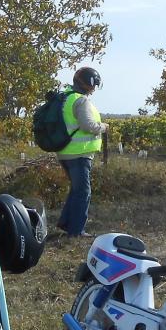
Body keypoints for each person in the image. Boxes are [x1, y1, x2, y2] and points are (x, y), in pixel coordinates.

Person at [55, 67, 108, 238]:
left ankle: (66, 223)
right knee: (83, 192)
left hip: (65, 152)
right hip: (79, 154)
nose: (94, 89)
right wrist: (103, 127)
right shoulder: (81, 101)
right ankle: (76, 231)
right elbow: (88, 126)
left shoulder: (65, 97)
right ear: (88, 84)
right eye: (94, 85)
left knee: (76, 190)